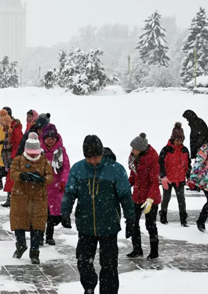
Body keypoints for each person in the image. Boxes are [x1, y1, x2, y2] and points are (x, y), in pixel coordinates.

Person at [61, 135, 135, 294]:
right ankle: (89, 286)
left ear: (102, 153)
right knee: (83, 263)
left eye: (96, 157)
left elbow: (125, 197)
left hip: (109, 226)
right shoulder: (78, 169)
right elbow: (69, 193)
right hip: (85, 225)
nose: (93, 161)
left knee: (109, 265)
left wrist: (131, 220)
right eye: (89, 158)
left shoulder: (115, 169)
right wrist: (65, 212)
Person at [9, 134, 53, 264]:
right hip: (20, 197)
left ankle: (35, 253)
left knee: (37, 226)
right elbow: (12, 174)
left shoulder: (44, 161)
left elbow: (50, 176)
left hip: (38, 198)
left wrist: (42, 179)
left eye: (35, 153)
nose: (33, 156)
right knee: (19, 223)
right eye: (31, 153)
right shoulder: (18, 160)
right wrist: (22, 176)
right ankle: (21, 245)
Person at [127, 133, 161, 260]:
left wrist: (150, 199)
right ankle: (137, 249)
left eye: (135, 149)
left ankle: (154, 251)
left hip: (150, 198)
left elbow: (154, 182)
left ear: (141, 149)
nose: (132, 151)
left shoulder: (152, 159)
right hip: (137, 196)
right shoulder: (134, 159)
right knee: (133, 223)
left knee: (150, 225)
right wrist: (124, 188)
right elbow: (132, 177)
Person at [39, 124, 70, 246]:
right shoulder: (39, 150)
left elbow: (66, 167)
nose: (50, 140)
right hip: (42, 185)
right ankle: (39, 235)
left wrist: (63, 181)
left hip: (56, 187)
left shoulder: (61, 151)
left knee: (53, 214)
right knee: (41, 213)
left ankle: (49, 235)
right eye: (48, 137)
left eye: (53, 137)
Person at [158, 122, 190, 226]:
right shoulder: (166, 150)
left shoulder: (185, 150)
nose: (179, 142)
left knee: (182, 200)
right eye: (177, 140)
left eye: (181, 140)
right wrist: (163, 176)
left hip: (180, 179)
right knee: (166, 198)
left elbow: (188, 164)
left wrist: (188, 176)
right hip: (168, 179)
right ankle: (163, 216)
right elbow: (161, 164)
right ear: (173, 139)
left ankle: (183, 219)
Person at [0, 109, 24, 208]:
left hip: (14, 157)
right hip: (10, 156)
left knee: (12, 179)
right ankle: (11, 198)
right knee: (10, 178)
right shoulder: (9, 128)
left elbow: (18, 145)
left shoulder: (15, 129)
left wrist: (14, 157)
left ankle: (12, 199)